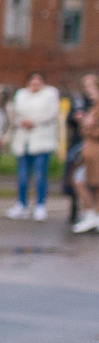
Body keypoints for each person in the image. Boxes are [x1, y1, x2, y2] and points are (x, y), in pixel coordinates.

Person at [7, 71, 61, 221]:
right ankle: (21, 204)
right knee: (23, 176)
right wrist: (22, 121)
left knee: (40, 174)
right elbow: (14, 113)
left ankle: (40, 205)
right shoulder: (22, 95)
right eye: (32, 81)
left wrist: (34, 121)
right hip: (24, 140)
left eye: (38, 81)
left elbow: (51, 113)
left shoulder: (50, 95)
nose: (35, 84)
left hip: (41, 140)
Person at [71, 74, 99, 233]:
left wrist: (88, 125)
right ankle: (92, 215)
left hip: (96, 152)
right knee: (83, 181)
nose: (88, 91)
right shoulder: (93, 106)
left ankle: (93, 216)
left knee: (85, 182)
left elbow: (93, 131)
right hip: (90, 153)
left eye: (91, 87)